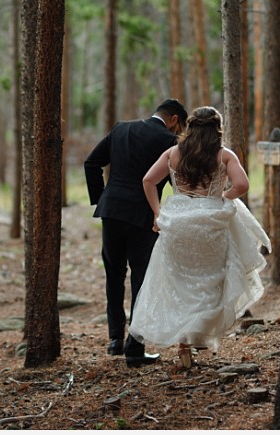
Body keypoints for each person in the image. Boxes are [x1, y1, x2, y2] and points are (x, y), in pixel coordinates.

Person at [129, 106, 271, 369]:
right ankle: (200, 334)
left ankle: (184, 343)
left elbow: (148, 180)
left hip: (177, 224)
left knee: (178, 284)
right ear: (217, 129)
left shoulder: (173, 153)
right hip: (210, 224)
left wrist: (158, 213)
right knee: (210, 282)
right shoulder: (223, 155)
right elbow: (242, 185)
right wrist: (222, 197)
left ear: (190, 127)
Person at [84, 98, 189, 367]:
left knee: (114, 274)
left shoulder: (121, 129)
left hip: (112, 211)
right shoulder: (170, 142)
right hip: (144, 216)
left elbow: (91, 163)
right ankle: (135, 346)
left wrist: (102, 199)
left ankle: (114, 340)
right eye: (181, 127)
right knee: (142, 279)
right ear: (174, 119)